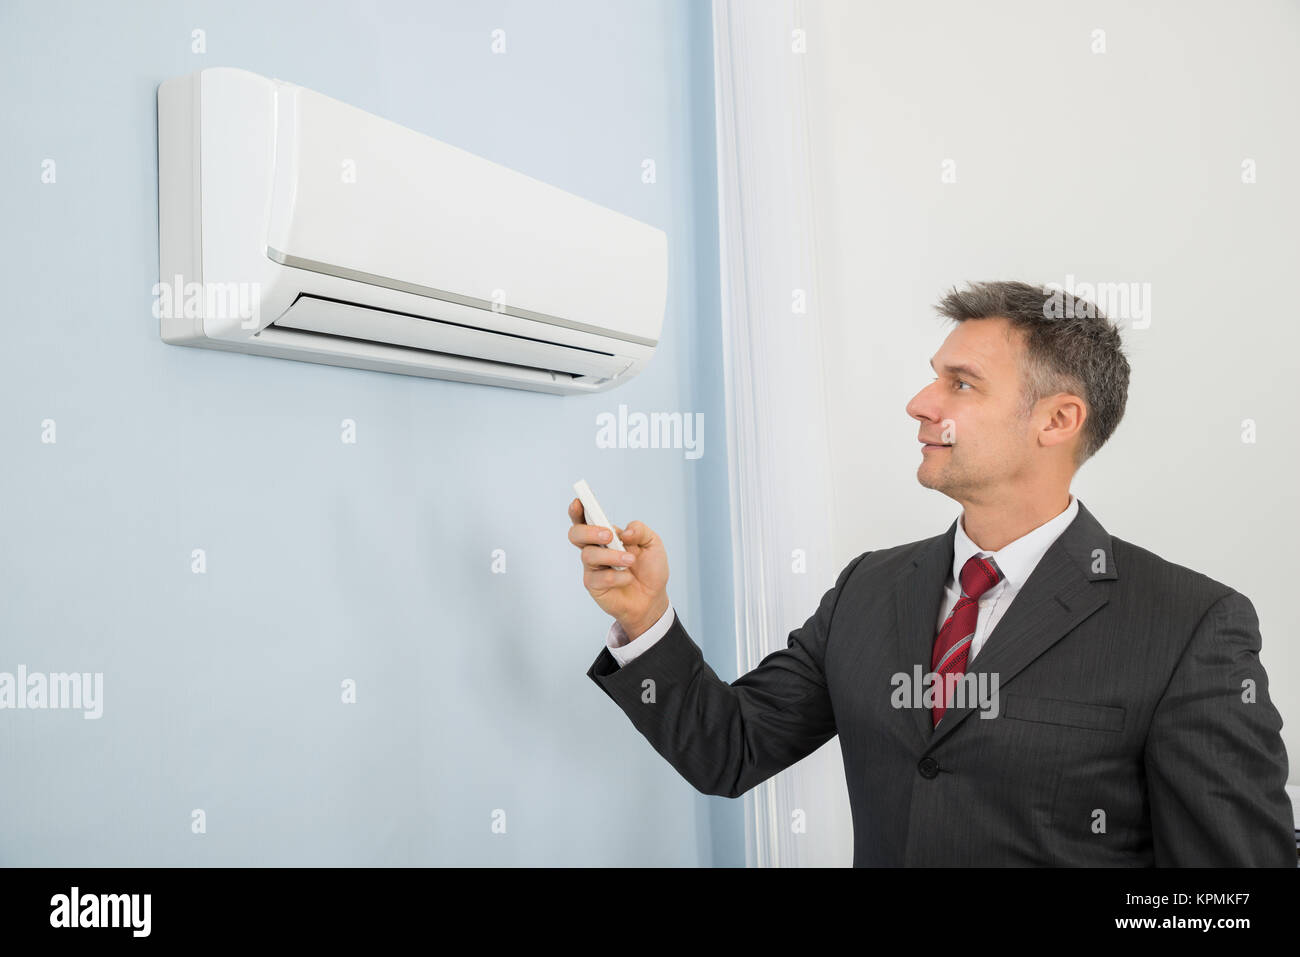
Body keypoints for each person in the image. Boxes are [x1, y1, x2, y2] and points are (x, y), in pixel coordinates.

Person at [569, 280, 1294, 866]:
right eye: (932, 379)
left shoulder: (1188, 624)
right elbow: (728, 749)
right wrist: (643, 618)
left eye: (962, 384)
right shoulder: (868, 589)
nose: (921, 403)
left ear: (1057, 419)